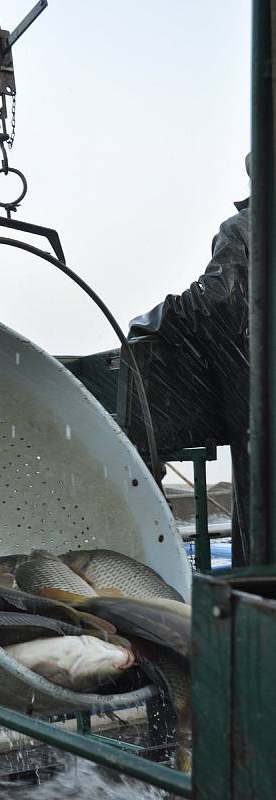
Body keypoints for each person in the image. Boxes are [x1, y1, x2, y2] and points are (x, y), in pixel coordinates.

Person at [128, 156, 250, 566]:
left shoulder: (245, 229)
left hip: (260, 418)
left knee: (262, 535)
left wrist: (155, 321)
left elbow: (216, 300)